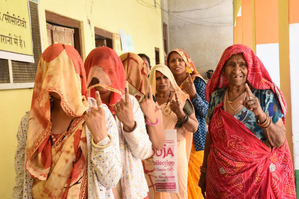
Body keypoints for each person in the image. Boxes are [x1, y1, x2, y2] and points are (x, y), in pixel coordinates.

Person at [13, 43, 121, 198]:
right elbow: (21, 180)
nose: (56, 82)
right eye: (52, 73)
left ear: (78, 74)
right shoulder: (30, 122)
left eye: (64, 73)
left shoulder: (97, 114)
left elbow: (110, 179)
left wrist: (101, 137)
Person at [199, 44, 296, 198]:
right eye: (231, 64)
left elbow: (278, 140)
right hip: (221, 178)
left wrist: (259, 113)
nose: (237, 70)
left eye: (242, 65)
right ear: (223, 69)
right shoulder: (216, 97)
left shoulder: (265, 96)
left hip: (258, 177)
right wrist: (204, 170)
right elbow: (211, 136)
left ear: (250, 67)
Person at [84, 47, 152, 199]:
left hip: (133, 190)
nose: (102, 77)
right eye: (97, 70)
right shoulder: (82, 107)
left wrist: (130, 125)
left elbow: (144, 152)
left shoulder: (129, 103)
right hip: (98, 189)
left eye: (109, 70)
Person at [149, 64, 199, 199]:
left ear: (170, 78)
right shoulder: (148, 101)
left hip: (176, 150)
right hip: (155, 152)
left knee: (178, 190)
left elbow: (194, 127)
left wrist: (181, 114)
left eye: (165, 77)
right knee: (157, 191)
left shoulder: (181, 99)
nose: (162, 81)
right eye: (158, 78)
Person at [120, 52, 165, 199]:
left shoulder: (149, 102)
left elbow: (158, 144)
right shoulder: (113, 102)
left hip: (148, 167)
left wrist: (150, 114)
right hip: (122, 173)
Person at [166, 49, 208, 199]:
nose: (177, 64)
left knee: (195, 182)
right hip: (174, 139)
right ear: (168, 65)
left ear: (186, 62)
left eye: (180, 60)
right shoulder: (167, 83)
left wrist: (194, 94)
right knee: (178, 181)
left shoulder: (197, 82)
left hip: (196, 138)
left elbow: (206, 112)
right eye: (172, 61)